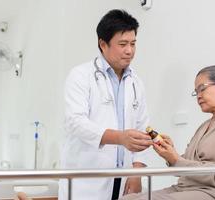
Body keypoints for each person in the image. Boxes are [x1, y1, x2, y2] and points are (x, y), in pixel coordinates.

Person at [120, 65, 215, 200]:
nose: (199, 96)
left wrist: (177, 160)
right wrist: (170, 154)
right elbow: (186, 164)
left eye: (202, 88)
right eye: (196, 92)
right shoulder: (204, 127)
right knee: (128, 198)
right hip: (187, 189)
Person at [58, 9, 153, 200]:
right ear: (103, 44)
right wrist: (119, 137)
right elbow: (75, 122)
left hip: (123, 178)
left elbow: (143, 128)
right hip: (87, 180)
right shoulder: (81, 75)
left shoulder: (136, 82)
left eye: (133, 44)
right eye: (123, 44)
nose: (130, 50)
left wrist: (137, 172)